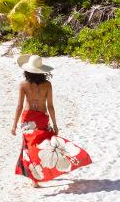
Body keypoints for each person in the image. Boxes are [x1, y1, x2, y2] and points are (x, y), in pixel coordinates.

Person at [11, 54, 92, 187]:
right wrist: (55, 124)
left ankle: (35, 179)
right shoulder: (47, 85)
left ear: (27, 70)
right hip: (42, 118)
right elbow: (50, 106)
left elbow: (19, 106)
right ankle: (56, 167)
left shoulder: (23, 85)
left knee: (30, 148)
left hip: (28, 119)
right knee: (48, 144)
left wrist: (14, 125)